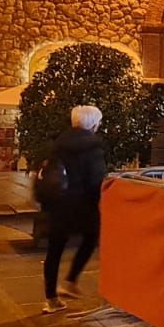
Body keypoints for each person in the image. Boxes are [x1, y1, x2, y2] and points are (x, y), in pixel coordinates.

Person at [42, 105, 108, 314]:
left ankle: (51, 299)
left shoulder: (58, 144)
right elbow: (96, 180)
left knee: (54, 250)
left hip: (58, 202)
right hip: (82, 204)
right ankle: (71, 280)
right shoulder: (93, 148)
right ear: (93, 124)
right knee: (91, 237)